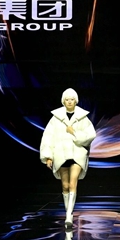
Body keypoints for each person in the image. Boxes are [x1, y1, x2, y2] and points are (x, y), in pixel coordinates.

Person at [40, 88, 96, 229]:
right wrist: (48, 156)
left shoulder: (82, 117)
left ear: (76, 101)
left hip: (77, 154)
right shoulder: (56, 118)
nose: (69, 102)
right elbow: (48, 137)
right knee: (65, 186)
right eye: (67, 99)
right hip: (61, 154)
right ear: (63, 101)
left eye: (72, 99)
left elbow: (90, 135)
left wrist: (74, 132)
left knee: (72, 183)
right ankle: (68, 212)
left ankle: (68, 216)